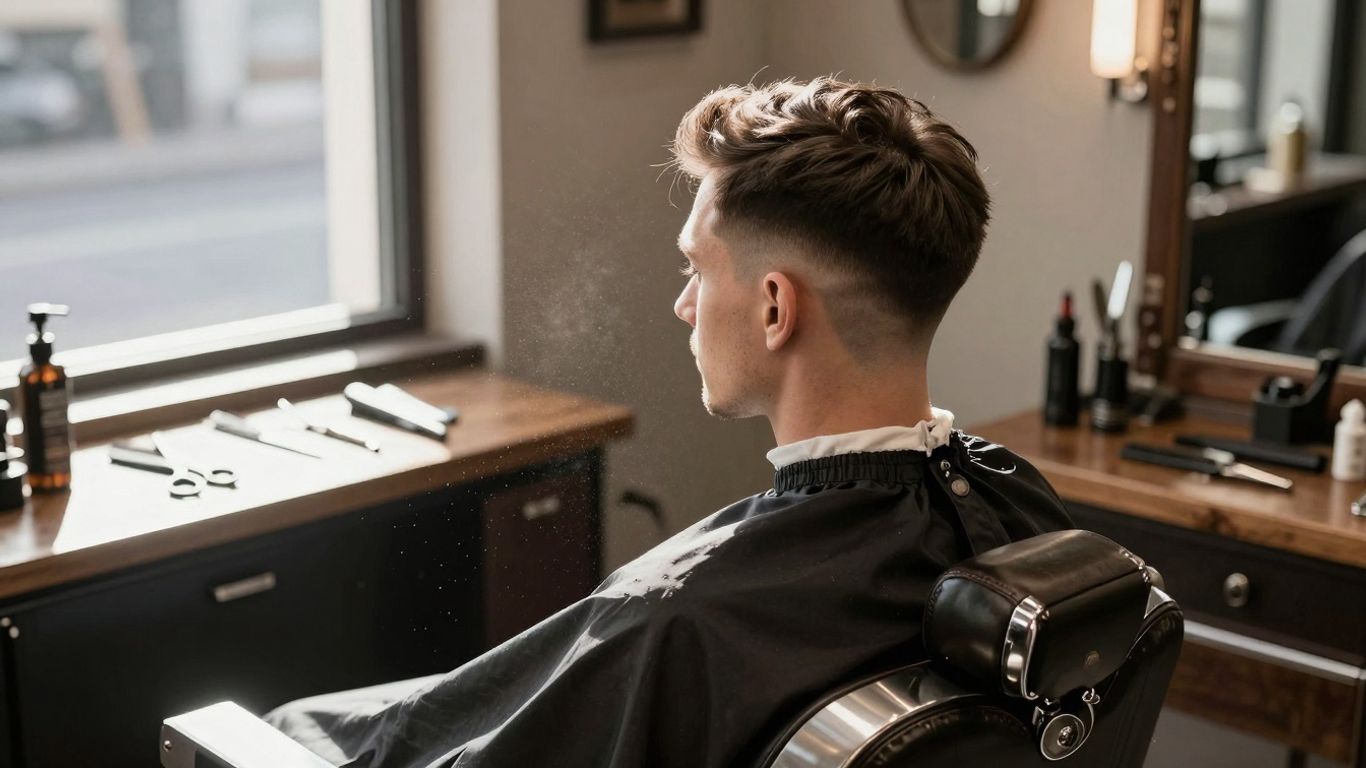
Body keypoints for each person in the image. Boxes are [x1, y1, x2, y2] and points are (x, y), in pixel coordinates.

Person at [267, 76, 1072, 767]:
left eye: (696, 267)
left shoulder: (679, 617)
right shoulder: (1029, 517)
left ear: (773, 307)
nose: (682, 303)